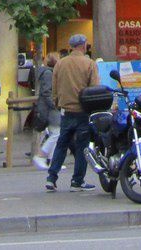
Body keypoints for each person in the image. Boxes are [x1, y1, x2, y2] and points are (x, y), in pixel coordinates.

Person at [46, 32, 98, 192]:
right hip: (83, 110)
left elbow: (54, 88)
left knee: (62, 144)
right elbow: (94, 88)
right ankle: (77, 181)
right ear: (83, 45)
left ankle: (51, 178)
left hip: (66, 110)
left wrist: (58, 103)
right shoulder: (89, 63)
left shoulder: (60, 64)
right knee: (82, 147)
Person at [32, 53, 61, 171]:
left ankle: (53, 161)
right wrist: (54, 104)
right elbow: (47, 92)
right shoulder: (49, 73)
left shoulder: (47, 72)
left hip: (48, 107)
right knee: (56, 133)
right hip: (50, 108)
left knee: (55, 133)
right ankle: (41, 155)